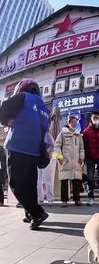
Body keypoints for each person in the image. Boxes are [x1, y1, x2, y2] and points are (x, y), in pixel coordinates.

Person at [0, 79, 50, 229]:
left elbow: (3, 108)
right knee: (30, 184)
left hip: (18, 146)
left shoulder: (23, 97)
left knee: (16, 183)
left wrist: (7, 121)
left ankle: (37, 213)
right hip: (35, 151)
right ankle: (30, 213)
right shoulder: (45, 107)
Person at [55, 116, 85, 207]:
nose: (74, 123)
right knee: (64, 182)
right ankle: (64, 201)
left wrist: (81, 158)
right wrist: (60, 158)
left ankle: (77, 199)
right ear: (69, 123)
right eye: (72, 122)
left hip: (76, 162)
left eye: (76, 122)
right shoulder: (62, 133)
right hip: (65, 162)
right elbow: (56, 146)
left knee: (76, 181)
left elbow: (81, 148)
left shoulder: (78, 135)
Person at [37, 132, 56, 205]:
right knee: (38, 181)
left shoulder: (46, 134)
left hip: (46, 159)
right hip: (37, 158)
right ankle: (40, 198)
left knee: (47, 180)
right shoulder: (34, 133)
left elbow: (52, 145)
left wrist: (47, 154)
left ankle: (50, 199)